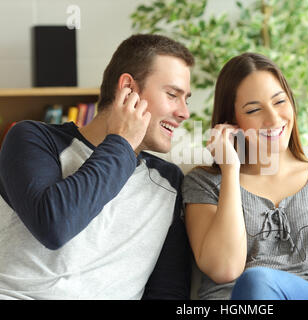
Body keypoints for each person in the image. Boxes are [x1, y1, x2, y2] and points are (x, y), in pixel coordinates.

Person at [0, 34, 194, 299]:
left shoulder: (169, 183)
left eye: (187, 99)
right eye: (173, 95)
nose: (184, 113)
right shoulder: (33, 140)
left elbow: (167, 289)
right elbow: (55, 225)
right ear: (128, 88)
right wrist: (123, 142)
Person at [182, 52, 308, 300]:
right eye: (254, 110)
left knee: (258, 279)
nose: (273, 119)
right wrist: (230, 170)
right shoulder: (204, 184)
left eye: (279, 102)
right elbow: (223, 269)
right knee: (256, 281)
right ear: (231, 122)